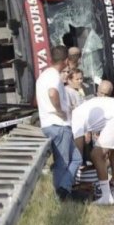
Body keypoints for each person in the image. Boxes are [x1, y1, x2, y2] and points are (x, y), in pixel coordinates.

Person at [71, 80, 114, 205]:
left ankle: (106, 197)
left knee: (96, 154)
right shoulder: (89, 106)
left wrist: (75, 164)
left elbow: (78, 145)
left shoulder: (75, 116)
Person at [36, 45, 83, 201]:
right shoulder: (54, 76)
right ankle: (60, 196)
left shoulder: (44, 75)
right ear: (65, 61)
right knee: (63, 162)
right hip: (58, 125)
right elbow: (52, 93)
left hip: (50, 124)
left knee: (76, 158)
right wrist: (59, 110)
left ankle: (64, 188)